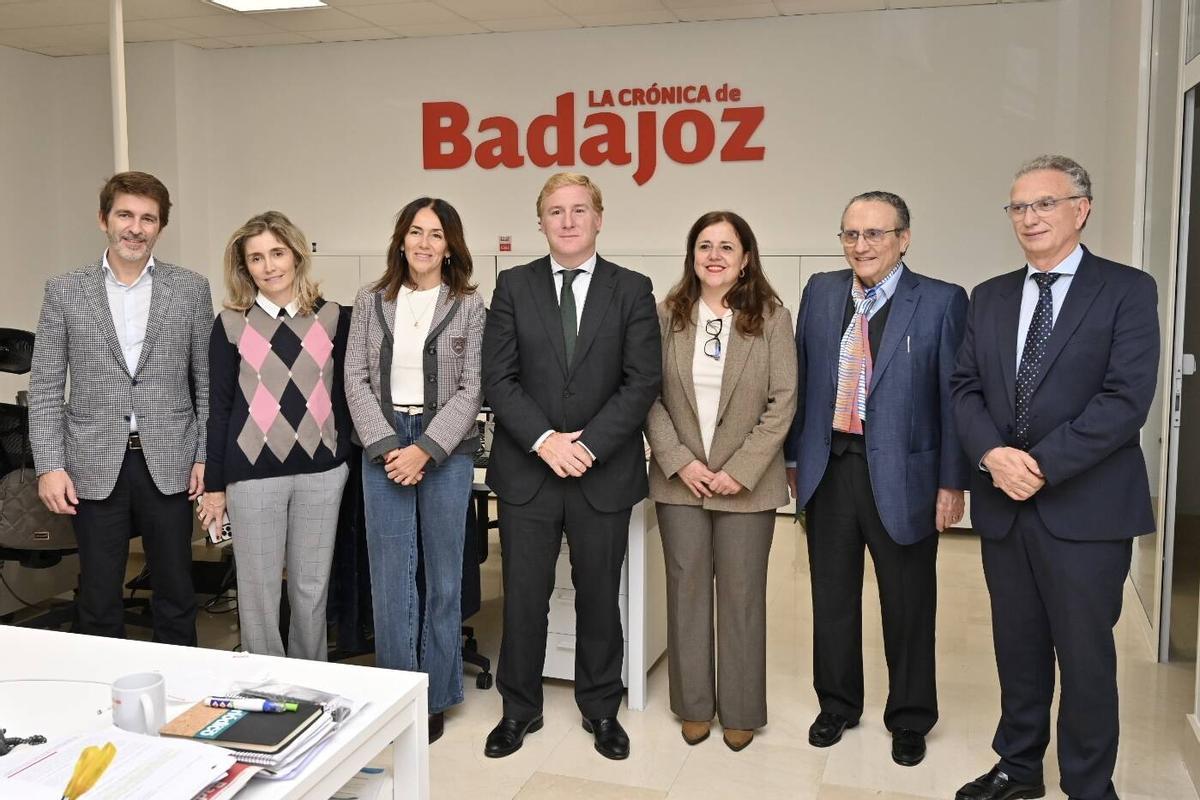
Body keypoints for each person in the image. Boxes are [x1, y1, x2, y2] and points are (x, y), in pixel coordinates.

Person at [950, 155, 1159, 800]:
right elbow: (964, 388)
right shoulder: (988, 297)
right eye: (1019, 206)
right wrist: (991, 456)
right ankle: (1017, 768)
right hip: (1005, 508)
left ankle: (1089, 785)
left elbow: (1125, 400)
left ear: (1081, 209)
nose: (1030, 217)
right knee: (1017, 649)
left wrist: (1037, 466)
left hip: (1087, 510)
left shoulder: (1126, 289)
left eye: (1045, 203)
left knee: (1086, 657)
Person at [784, 190, 968, 767]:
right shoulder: (820, 292)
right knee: (831, 597)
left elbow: (954, 398)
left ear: (903, 239)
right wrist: (794, 461)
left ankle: (910, 716)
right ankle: (837, 704)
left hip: (906, 475)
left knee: (908, 603)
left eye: (875, 235)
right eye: (850, 235)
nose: (860, 246)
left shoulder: (940, 302)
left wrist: (951, 481)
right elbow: (802, 379)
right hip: (829, 468)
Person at [481, 172, 661, 761]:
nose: (567, 220)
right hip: (529, 471)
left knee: (598, 595)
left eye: (579, 209)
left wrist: (587, 446)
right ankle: (518, 709)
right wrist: (544, 441)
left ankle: (602, 709)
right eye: (555, 211)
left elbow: (641, 382)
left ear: (599, 218)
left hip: (601, 472)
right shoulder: (512, 285)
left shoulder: (632, 288)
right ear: (541, 222)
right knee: (526, 595)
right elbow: (498, 379)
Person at [29, 171, 211, 645]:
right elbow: (46, 385)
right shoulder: (65, 289)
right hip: (92, 461)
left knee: (175, 591)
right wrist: (50, 465)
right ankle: (103, 704)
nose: (136, 227)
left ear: (161, 227)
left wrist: (205, 455)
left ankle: (181, 696)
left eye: (148, 218)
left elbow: (207, 383)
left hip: (170, 460)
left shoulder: (190, 289)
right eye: (125, 214)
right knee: (99, 596)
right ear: (103, 219)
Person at [644, 211, 796, 752]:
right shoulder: (667, 315)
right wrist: (681, 461)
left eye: (726, 247)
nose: (714, 255)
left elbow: (783, 402)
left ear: (746, 258)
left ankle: (740, 708)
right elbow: (648, 395)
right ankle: (693, 705)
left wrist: (739, 470)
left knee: (741, 595)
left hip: (747, 484)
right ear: (692, 256)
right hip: (679, 479)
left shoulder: (773, 318)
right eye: (704, 245)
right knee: (685, 590)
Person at [344, 197, 485, 744]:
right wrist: (386, 447)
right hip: (383, 445)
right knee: (390, 576)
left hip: (444, 449)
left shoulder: (471, 306)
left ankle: (436, 694)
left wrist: (425, 448)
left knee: (443, 577)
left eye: (436, 234)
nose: (424, 243)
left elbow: (474, 386)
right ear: (400, 239)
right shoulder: (370, 300)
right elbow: (354, 378)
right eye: (415, 232)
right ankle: (396, 691)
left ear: (450, 245)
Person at [198, 211, 352, 662]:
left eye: (277, 253)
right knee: (259, 591)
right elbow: (219, 408)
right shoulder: (230, 323)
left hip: (321, 475)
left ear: (296, 254)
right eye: (256, 258)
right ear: (245, 268)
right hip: (253, 478)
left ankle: (314, 683)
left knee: (311, 588)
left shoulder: (334, 317)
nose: (269, 266)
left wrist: (340, 456)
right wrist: (215, 486)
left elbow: (345, 395)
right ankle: (263, 686)